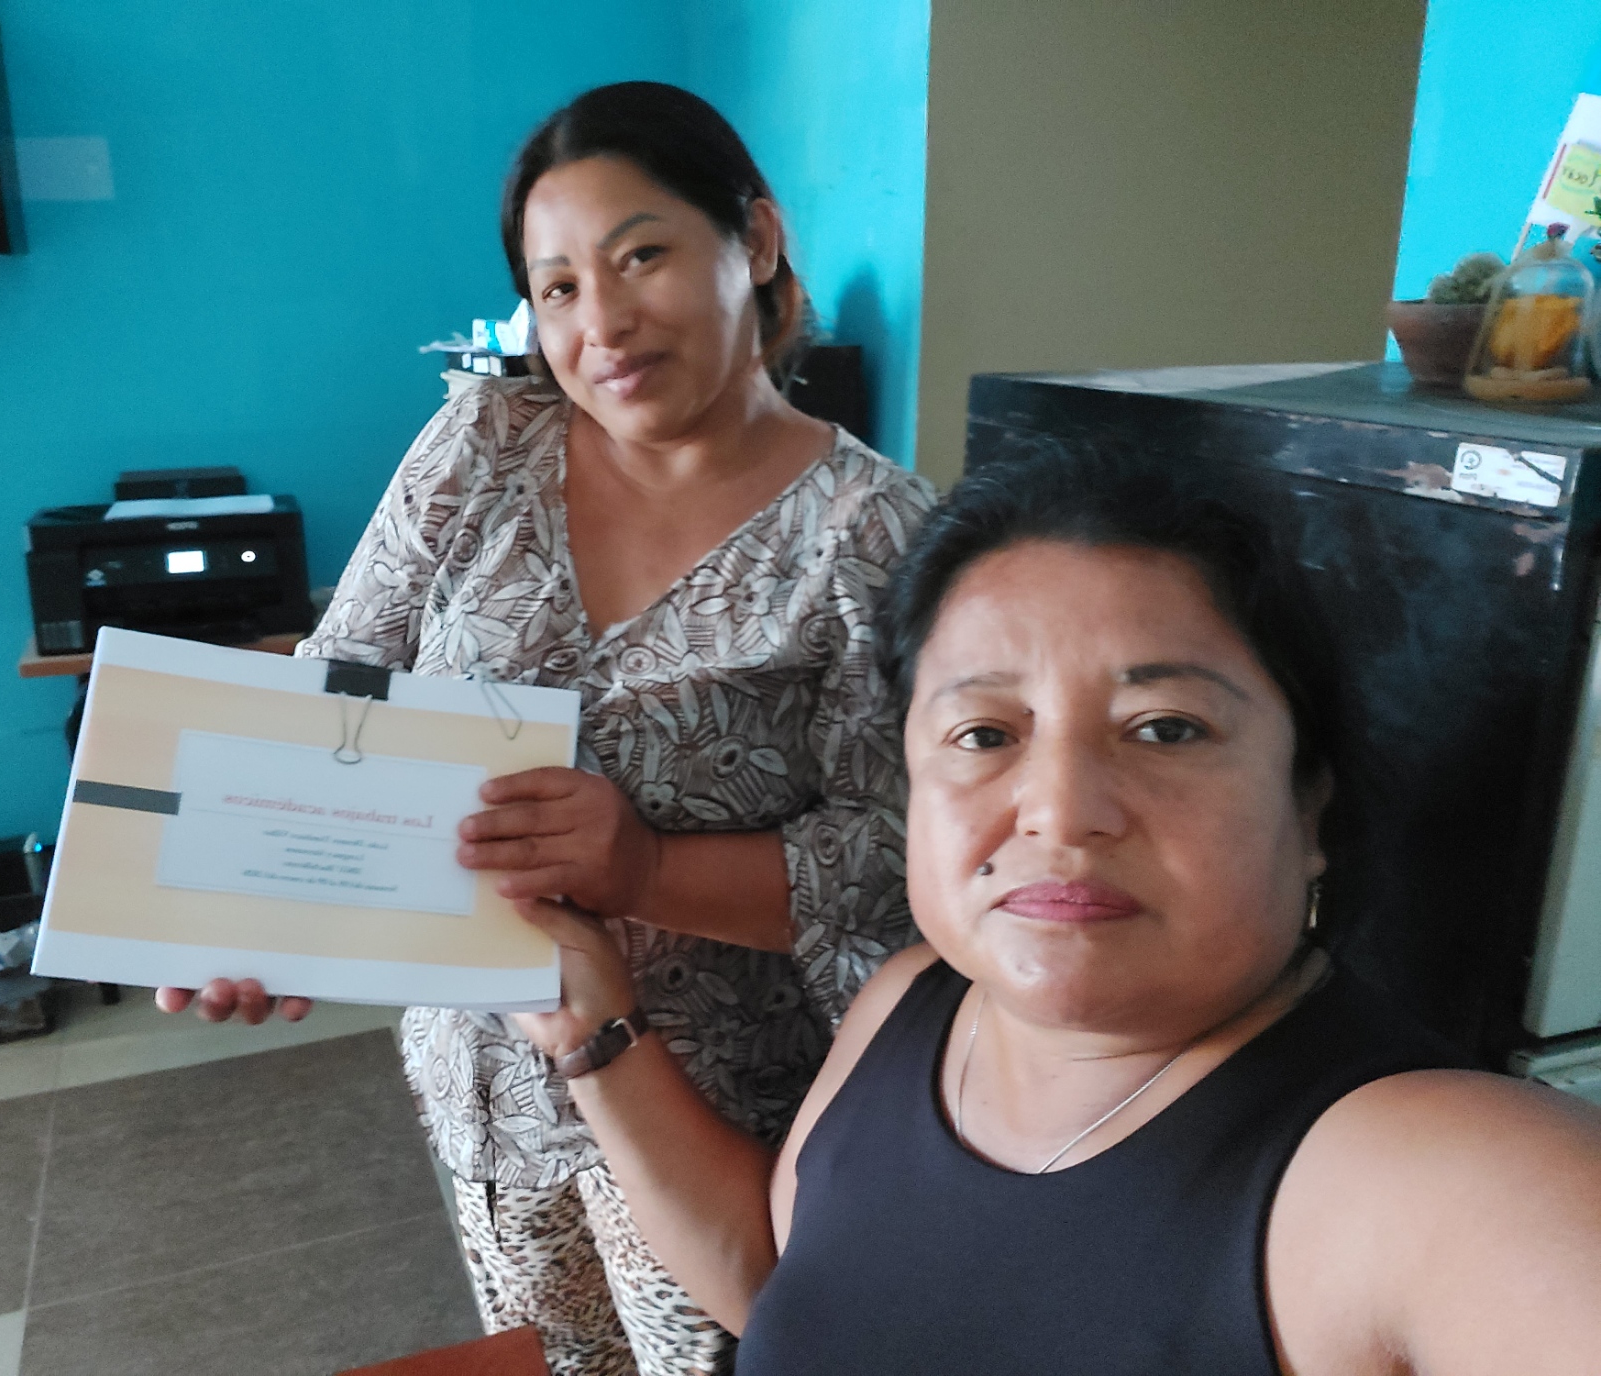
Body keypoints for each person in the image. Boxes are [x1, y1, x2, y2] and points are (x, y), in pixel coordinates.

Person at [508, 444, 1601, 1374]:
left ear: (1310, 803)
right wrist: (591, 1030)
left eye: (1164, 727)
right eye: (985, 734)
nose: (1060, 809)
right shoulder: (910, 1004)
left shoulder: (1443, 1173)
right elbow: (782, 1286)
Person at [157, 81, 933, 1376]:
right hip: (487, 1090)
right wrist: (265, 908)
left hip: (713, 1128)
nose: (601, 321)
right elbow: (338, 696)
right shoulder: (483, 444)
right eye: (557, 285)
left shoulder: (874, 534)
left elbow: (895, 860)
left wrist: (648, 869)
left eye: (641, 256)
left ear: (753, 238)